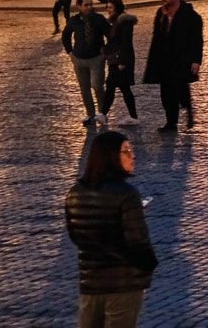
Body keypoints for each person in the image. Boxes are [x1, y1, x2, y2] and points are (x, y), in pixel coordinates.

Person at [65, 128, 158, 327]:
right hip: (124, 283)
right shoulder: (127, 194)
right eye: (126, 150)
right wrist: (149, 265)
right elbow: (138, 241)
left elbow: (76, 236)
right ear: (110, 157)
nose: (133, 155)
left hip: (91, 282)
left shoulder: (75, 193)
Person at [142, 0, 203, 132]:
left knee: (180, 88)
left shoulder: (190, 15)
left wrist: (196, 61)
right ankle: (171, 123)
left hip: (182, 59)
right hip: (164, 59)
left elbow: (196, 40)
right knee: (166, 92)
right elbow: (157, 36)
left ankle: (188, 111)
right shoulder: (161, 13)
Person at [63, 0, 111, 125]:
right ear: (79, 6)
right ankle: (90, 114)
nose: (89, 7)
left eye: (91, 4)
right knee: (84, 88)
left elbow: (111, 36)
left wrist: (105, 52)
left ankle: (102, 113)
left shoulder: (99, 19)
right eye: (86, 5)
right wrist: (70, 52)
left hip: (96, 58)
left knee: (97, 86)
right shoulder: (74, 21)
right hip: (79, 59)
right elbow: (66, 36)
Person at [97, 0, 139, 123]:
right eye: (107, 7)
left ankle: (103, 114)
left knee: (114, 87)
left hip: (120, 60)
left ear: (117, 8)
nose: (108, 10)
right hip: (114, 59)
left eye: (110, 7)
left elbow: (126, 43)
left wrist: (122, 62)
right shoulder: (116, 21)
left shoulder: (124, 22)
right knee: (122, 89)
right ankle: (132, 116)